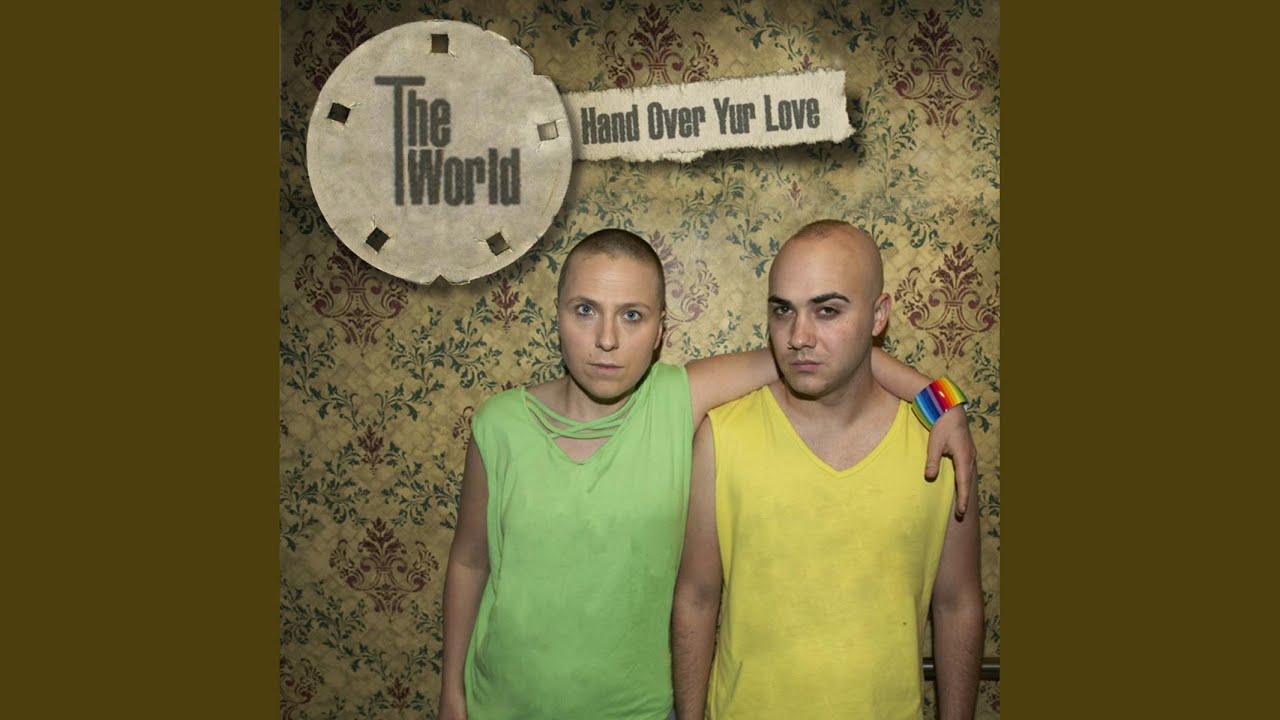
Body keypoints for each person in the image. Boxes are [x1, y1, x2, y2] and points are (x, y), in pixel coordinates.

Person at [439, 228, 978, 720]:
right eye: (584, 310)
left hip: (638, 711)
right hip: (498, 704)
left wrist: (942, 402)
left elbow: (825, 356)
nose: (606, 338)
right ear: (556, 313)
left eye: (632, 316)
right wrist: (451, 692)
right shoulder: (499, 424)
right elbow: (468, 562)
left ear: (660, 329)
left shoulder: (677, 400)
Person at [671, 220, 984, 719]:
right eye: (783, 311)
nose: (799, 337)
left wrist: (944, 402)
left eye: (828, 310)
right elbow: (696, 596)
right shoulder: (720, 437)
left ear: (879, 315)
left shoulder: (940, 445)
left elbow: (958, 603)